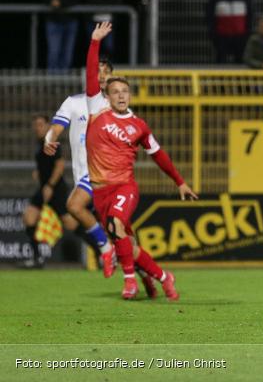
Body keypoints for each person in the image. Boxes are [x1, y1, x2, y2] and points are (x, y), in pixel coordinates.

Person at [85, 22, 198, 300]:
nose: (121, 96)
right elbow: (90, 75)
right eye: (115, 92)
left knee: (114, 225)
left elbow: (158, 155)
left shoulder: (139, 126)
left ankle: (129, 282)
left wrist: (179, 182)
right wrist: (95, 42)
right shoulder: (96, 110)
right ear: (107, 97)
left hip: (125, 187)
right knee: (126, 244)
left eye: (125, 92)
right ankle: (162, 276)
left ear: (130, 96)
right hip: (100, 190)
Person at [43, 57, 119, 279]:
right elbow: (55, 128)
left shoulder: (114, 105)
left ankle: (107, 250)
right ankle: (122, 260)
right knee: (113, 230)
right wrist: (49, 139)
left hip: (105, 173)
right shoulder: (74, 103)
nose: (102, 76)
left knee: (75, 207)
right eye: (98, 71)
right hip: (84, 176)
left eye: (106, 72)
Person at [21, 115, 79, 268]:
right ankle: (37, 258)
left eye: (40, 124)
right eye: (35, 125)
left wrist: (50, 186)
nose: (37, 128)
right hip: (44, 188)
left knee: (70, 223)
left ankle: (99, 249)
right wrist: (39, 173)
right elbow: (47, 164)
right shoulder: (39, 144)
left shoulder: (51, 140)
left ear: (47, 126)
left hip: (55, 189)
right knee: (29, 218)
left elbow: (59, 165)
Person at [41, 0, 81, 72]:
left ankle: (63, 82)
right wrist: (54, 2)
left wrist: (61, 2)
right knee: (54, 51)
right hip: (54, 21)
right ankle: (52, 82)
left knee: (67, 54)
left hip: (70, 21)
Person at [207, 0, 252, 64]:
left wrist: (247, 33)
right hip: (221, 36)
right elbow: (209, 17)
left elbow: (250, 14)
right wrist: (213, 35)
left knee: (240, 63)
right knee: (221, 63)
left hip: (240, 36)